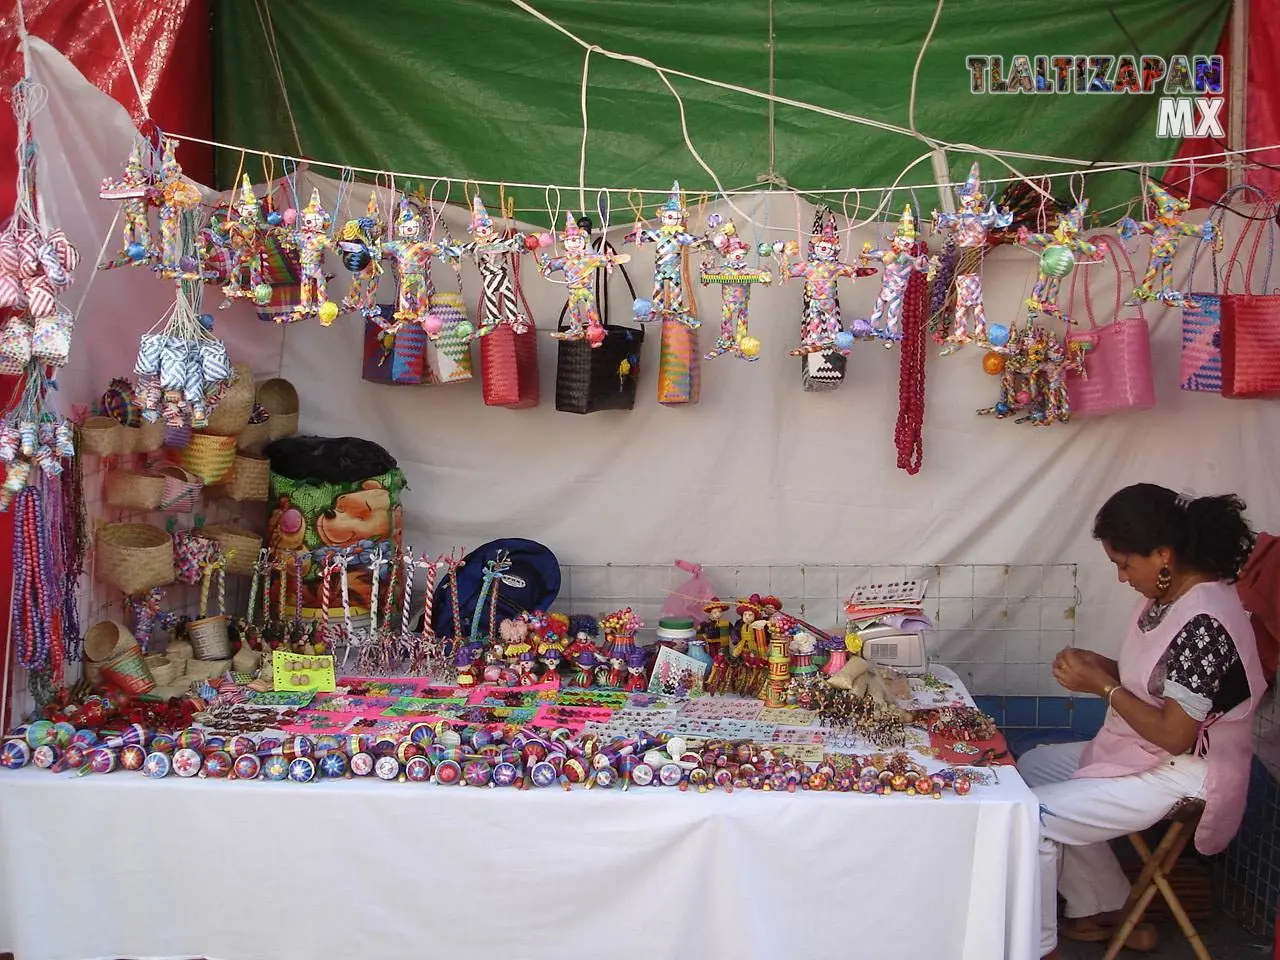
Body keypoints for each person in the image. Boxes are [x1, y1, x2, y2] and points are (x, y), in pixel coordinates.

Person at [1021, 484, 1265, 960]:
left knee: (1030, 821)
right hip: (1144, 747)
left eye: (1124, 563)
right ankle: (1102, 906)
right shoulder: (1166, 596)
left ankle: (1040, 946)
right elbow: (1161, 685)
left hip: (1190, 770)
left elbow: (1177, 733)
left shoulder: (1205, 621)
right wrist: (1105, 669)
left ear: (1163, 554)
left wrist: (1104, 687)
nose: (1121, 576)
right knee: (1031, 769)